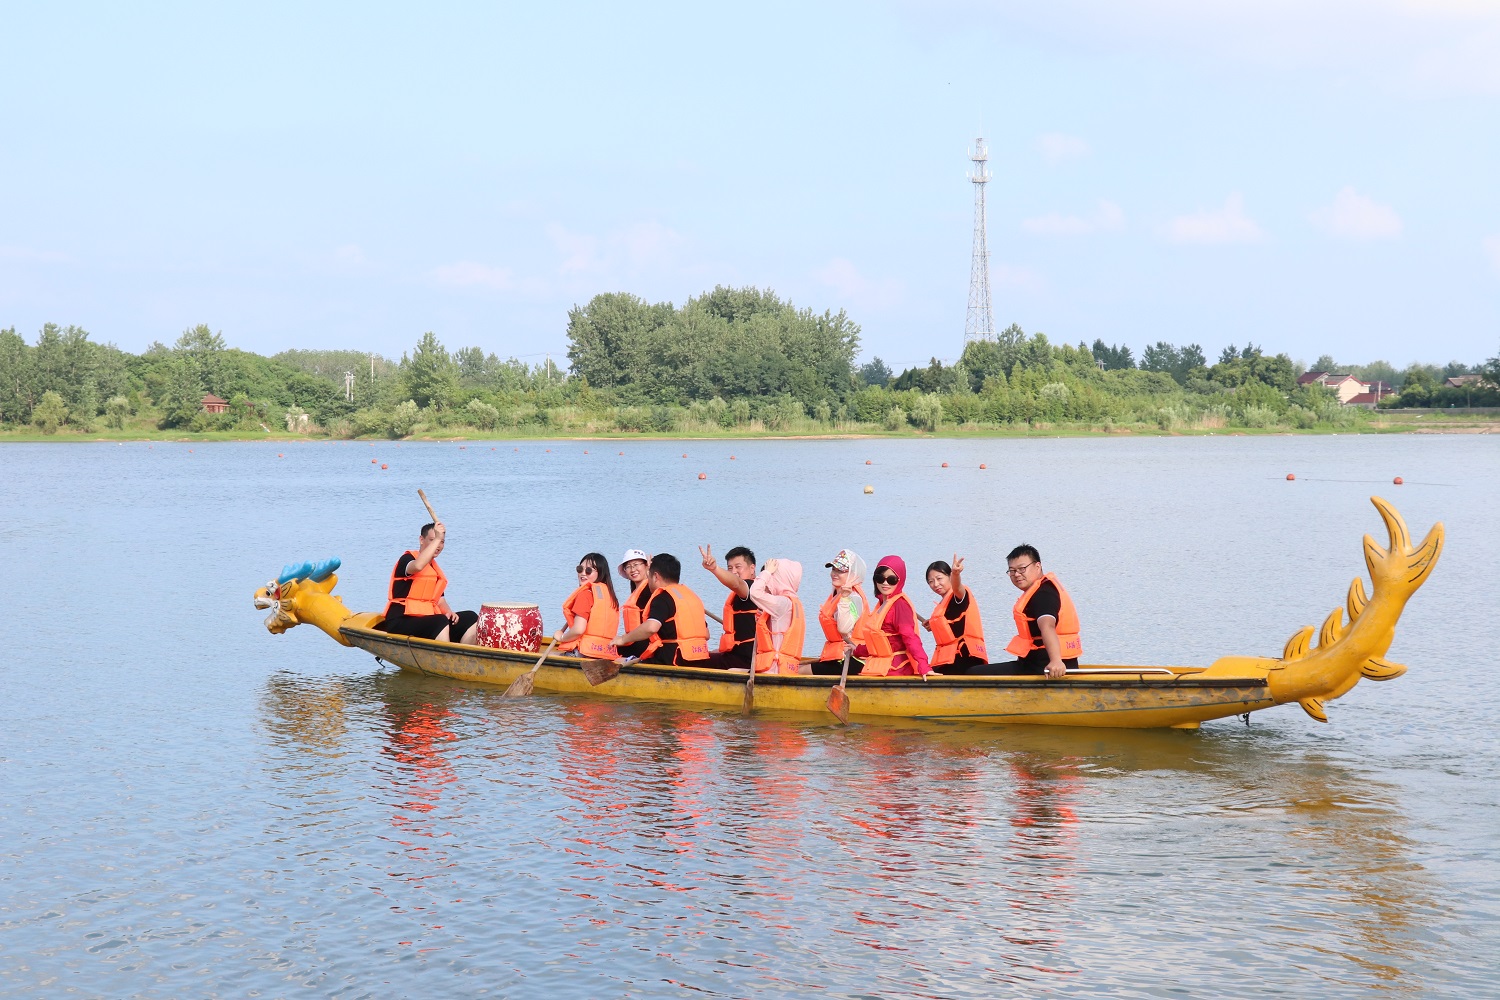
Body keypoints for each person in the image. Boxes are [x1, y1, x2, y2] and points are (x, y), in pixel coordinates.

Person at [967, 545, 1081, 678]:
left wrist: (1056, 661)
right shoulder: (1042, 589)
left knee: (973, 673)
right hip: (1048, 663)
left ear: (1037, 566)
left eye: (1022, 569)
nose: (1016, 574)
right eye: (1012, 571)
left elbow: (1047, 626)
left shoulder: (1043, 594)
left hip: (1045, 666)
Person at [379, 521, 479, 644]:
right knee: (440, 621)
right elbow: (418, 566)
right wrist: (438, 538)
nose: (438, 545)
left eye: (442, 542)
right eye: (433, 540)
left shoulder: (434, 570)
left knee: (470, 617)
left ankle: (463, 654)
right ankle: (443, 654)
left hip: (426, 620)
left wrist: (449, 612)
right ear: (421, 540)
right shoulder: (407, 559)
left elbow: (440, 600)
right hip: (400, 620)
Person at [615, 553, 711, 666]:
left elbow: (651, 627)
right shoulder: (692, 597)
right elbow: (707, 634)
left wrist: (623, 639)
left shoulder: (662, 597)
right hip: (700, 658)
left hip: (674, 659)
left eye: (649, 576)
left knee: (618, 659)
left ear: (655, 577)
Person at [853, 556, 931, 677]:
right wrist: (856, 650)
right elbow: (881, 644)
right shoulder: (882, 605)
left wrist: (924, 666)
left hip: (897, 671)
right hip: (878, 669)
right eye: (880, 578)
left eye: (891, 579)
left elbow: (910, 638)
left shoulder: (900, 605)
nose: (885, 583)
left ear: (900, 580)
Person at [699, 544, 759, 671]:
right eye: (730, 568)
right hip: (740, 655)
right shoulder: (754, 591)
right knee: (709, 654)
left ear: (752, 568)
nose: (733, 572)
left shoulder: (752, 588)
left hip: (745, 661)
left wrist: (714, 569)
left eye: (738, 567)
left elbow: (737, 583)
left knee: (693, 661)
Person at [924, 555, 987, 673]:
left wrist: (956, 574)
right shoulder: (943, 604)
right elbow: (951, 623)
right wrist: (934, 624)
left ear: (949, 576)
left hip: (966, 658)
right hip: (950, 660)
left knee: (926, 676)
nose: (936, 584)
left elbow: (958, 588)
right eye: (931, 582)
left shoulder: (958, 596)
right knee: (924, 673)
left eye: (939, 578)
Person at [810, 549, 869, 675]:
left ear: (853, 574)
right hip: (838, 657)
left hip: (851, 658)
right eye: (833, 569)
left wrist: (845, 599)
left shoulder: (854, 598)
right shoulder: (836, 595)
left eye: (841, 571)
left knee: (799, 671)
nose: (834, 574)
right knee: (798, 668)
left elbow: (844, 629)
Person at [552, 552, 620, 659]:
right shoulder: (610, 596)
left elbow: (578, 629)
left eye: (588, 570)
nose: (583, 573)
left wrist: (561, 637)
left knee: (555, 655)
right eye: (580, 569)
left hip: (583, 652)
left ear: (600, 572)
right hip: (606, 653)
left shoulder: (585, 594)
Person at [748, 557, 806, 674]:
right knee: (733, 670)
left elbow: (754, 593)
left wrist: (767, 572)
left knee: (732, 670)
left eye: (772, 577)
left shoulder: (782, 603)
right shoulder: (791, 602)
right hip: (782, 668)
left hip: (774, 669)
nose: (768, 583)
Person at [616, 548, 653, 660]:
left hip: (646, 644)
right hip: (635, 641)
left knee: (609, 648)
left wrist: (650, 574)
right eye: (628, 566)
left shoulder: (650, 590)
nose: (633, 569)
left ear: (646, 566)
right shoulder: (636, 591)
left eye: (636, 565)